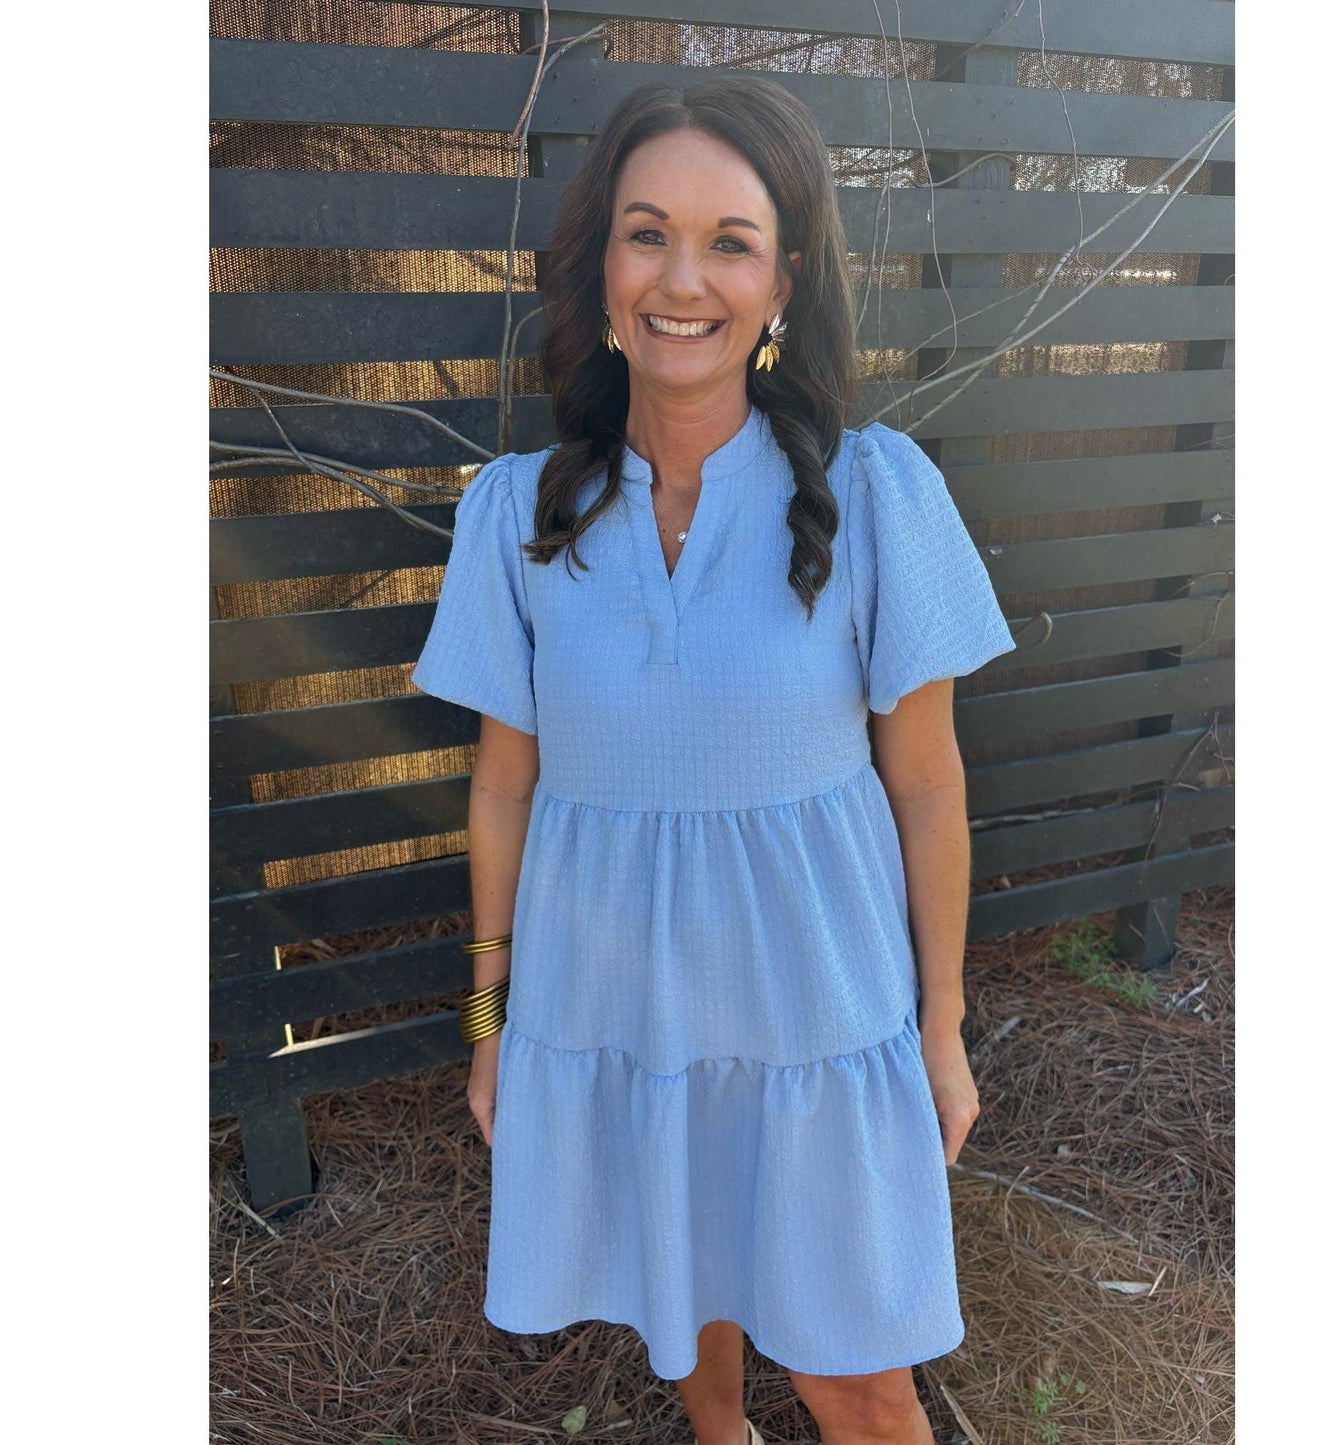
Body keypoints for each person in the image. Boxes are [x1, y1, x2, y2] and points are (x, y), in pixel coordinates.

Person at [412, 74, 1016, 1445]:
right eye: (646, 233)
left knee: (861, 1382)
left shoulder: (871, 492)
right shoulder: (517, 513)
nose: (681, 279)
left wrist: (939, 1024)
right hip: (622, 1022)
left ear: (783, 277)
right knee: (684, 1322)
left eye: (728, 240)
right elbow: (503, 787)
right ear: (602, 263)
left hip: (820, 1020)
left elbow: (926, 784)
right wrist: (490, 1025)